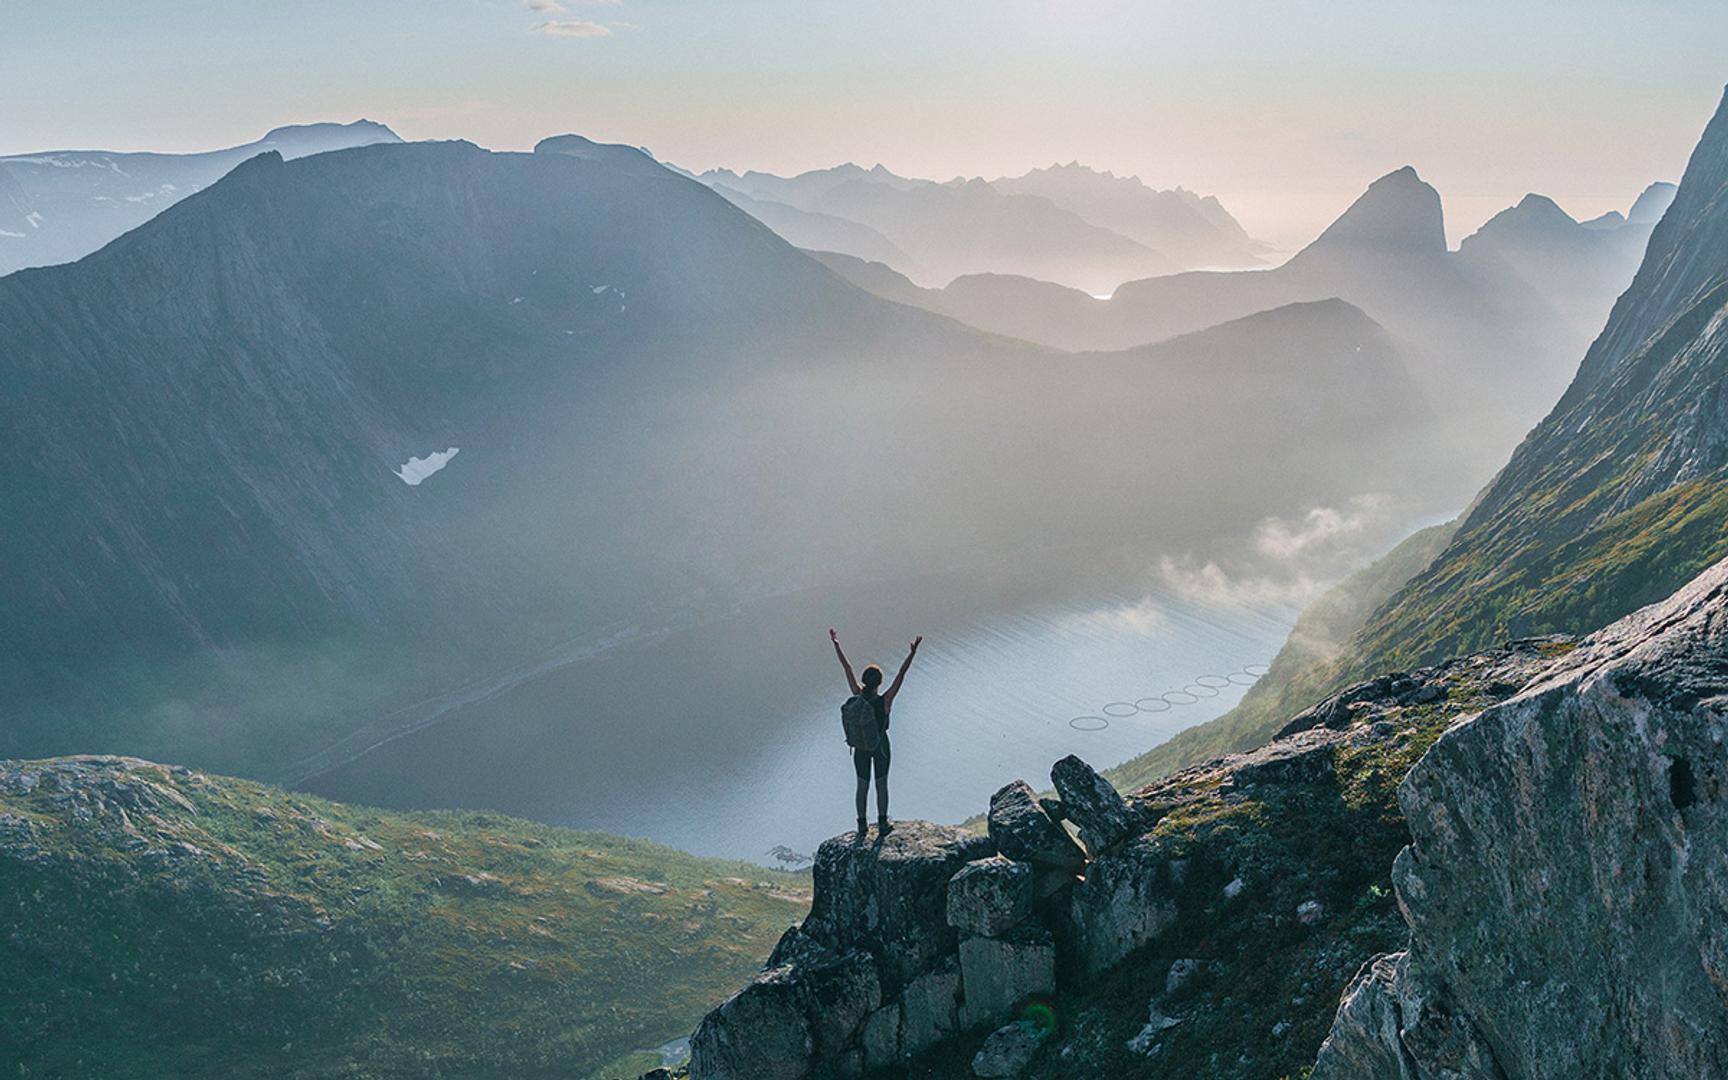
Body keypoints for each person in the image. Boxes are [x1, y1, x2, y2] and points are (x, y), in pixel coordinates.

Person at [830, 628, 922, 837]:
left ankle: (862, 825)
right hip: (880, 746)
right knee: (881, 784)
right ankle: (882, 823)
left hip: (861, 747)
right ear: (880, 682)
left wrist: (836, 644)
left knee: (862, 786)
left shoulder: (857, 695)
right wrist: (912, 653)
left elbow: (847, 668)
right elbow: (901, 675)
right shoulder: (885, 701)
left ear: (864, 681)